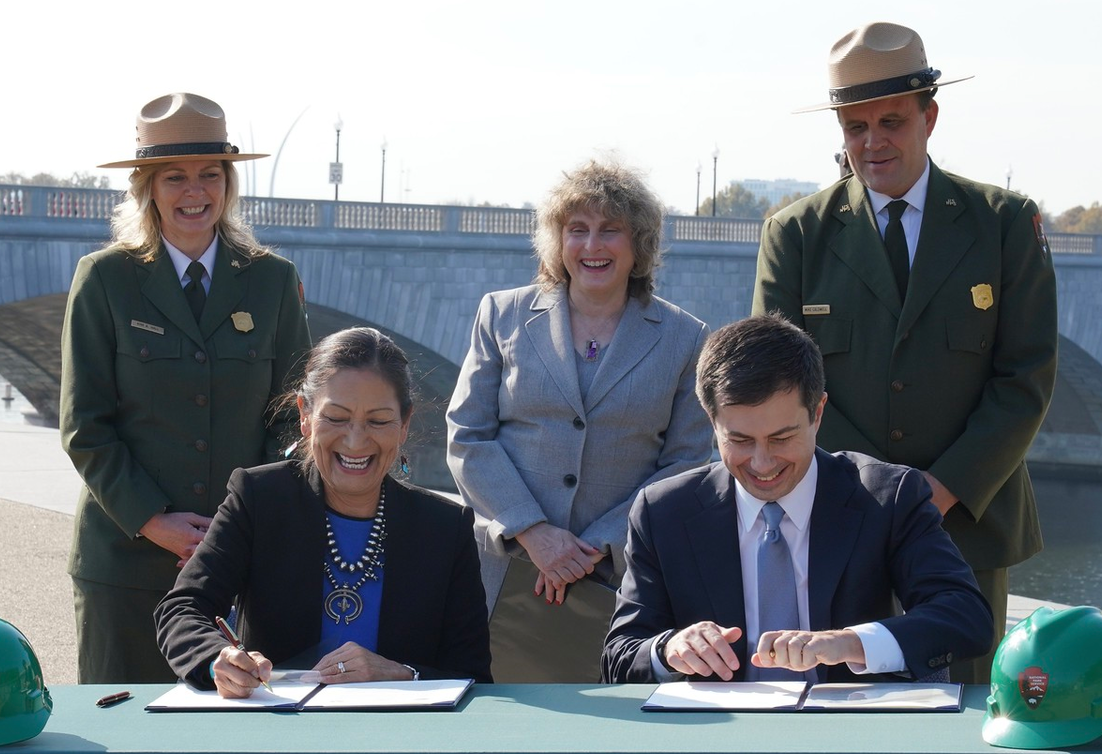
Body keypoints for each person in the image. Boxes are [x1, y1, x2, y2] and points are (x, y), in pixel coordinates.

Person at [751, 22, 1057, 683]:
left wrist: (937, 491)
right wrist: (872, 496)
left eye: (890, 121)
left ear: (931, 117)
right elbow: (775, 386)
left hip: (966, 525)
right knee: (838, 722)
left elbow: (1025, 379)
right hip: (836, 521)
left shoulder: (1002, 224)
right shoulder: (796, 234)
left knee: (970, 723)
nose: (872, 142)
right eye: (854, 127)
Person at [61, 92, 311, 684]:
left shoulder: (272, 282)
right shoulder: (104, 280)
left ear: (228, 184)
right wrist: (154, 520)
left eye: (209, 175)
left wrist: (244, 522)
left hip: (241, 564)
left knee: (233, 740)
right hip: (125, 561)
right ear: (146, 187)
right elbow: (84, 426)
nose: (194, 192)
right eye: (174, 176)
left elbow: (293, 417)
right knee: (122, 737)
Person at [603, 316, 993, 685]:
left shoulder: (887, 497)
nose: (762, 463)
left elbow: (965, 617)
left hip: (849, 737)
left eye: (781, 438)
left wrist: (851, 643)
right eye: (739, 440)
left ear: (818, 413)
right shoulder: (664, 511)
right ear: (711, 419)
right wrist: (668, 648)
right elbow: (620, 656)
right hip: (720, 740)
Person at [159, 328, 492, 697]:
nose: (355, 440)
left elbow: (472, 673)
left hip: (399, 741)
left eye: (378, 421)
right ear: (304, 415)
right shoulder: (257, 498)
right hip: (278, 732)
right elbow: (183, 608)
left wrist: (403, 674)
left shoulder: (446, 527)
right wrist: (216, 658)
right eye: (336, 417)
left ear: (405, 425)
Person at [447, 160, 712, 614]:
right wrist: (533, 531)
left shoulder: (686, 338)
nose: (592, 245)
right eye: (577, 229)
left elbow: (686, 464)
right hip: (502, 571)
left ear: (638, 243)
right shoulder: (501, 314)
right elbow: (468, 436)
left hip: (621, 576)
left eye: (610, 230)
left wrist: (596, 545)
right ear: (557, 240)